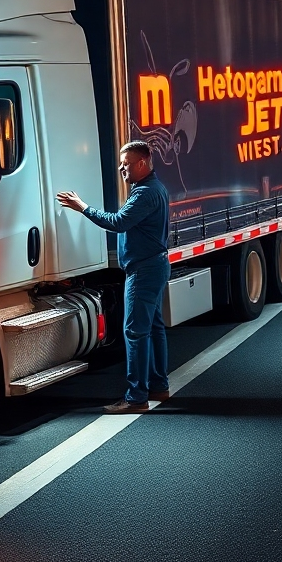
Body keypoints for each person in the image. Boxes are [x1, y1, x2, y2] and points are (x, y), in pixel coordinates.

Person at [57, 140, 170, 414]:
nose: (122, 168)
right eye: (121, 163)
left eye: (127, 163)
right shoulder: (153, 188)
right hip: (152, 266)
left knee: (134, 332)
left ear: (142, 163)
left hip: (143, 271)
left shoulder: (144, 193)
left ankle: (136, 398)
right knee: (153, 328)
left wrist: (82, 207)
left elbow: (117, 223)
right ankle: (158, 387)